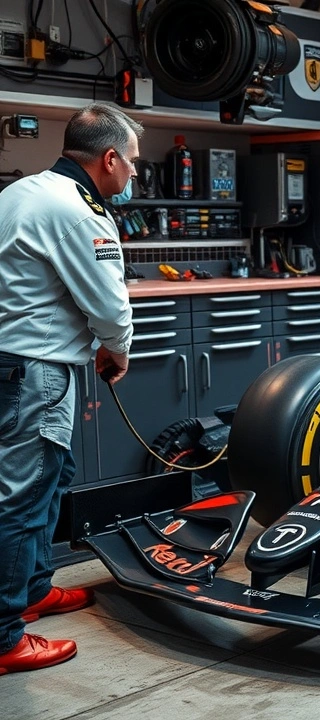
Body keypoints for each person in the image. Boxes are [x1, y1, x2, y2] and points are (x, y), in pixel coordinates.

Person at [0, 102, 139, 674]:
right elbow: (111, 305)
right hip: (36, 370)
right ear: (108, 159)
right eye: (131, 163)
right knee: (24, 499)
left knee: (54, 479)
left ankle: (32, 593)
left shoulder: (19, 192)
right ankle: (6, 637)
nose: (133, 174)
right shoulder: (81, 212)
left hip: (14, 362)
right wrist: (117, 349)